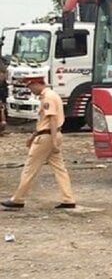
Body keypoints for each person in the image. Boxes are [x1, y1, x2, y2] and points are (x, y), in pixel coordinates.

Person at [1, 75, 76, 209]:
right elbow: (46, 122)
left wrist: (53, 141)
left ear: (36, 84)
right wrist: (35, 136)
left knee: (30, 168)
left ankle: (18, 199)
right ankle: (68, 198)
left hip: (47, 137)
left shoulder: (48, 97)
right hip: (51, 134)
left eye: (30, 86)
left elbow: (51, 119)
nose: (30, 90)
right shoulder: (51, 95)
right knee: (59, 169)